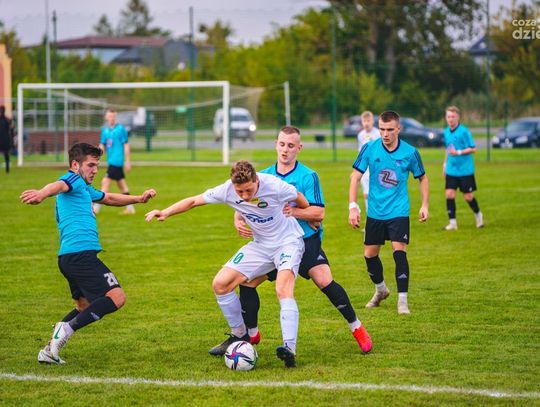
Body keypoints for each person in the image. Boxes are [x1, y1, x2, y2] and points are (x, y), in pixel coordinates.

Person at [145, 160, 308, 368]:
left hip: (288, 242)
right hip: (260, 245)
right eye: (240, 192)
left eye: (249, 190)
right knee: (220, 284)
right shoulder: (227, 190)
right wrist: (166, 212)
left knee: (282, 289)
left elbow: (299, 198)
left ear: (256, 180)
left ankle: (289, 349)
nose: (245, 196)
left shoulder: (275, 186)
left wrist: (296, 210)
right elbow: (194, 201)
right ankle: (240, 335)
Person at [235, 126, 372, 354]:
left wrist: (295, 212)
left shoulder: (308, 176)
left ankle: (357, 328)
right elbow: (243, 202)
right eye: (282, 144)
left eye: (290, 146)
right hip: (275, 244)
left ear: (299, 148)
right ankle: (252, 334)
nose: (285, 150)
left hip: (306, 242)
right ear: (276, 145)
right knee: (247, 281)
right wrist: (238, 220)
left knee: (324, 281)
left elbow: (319, 213)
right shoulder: (262, 176)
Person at [20, 143, 156, 365]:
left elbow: (108, 198)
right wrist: (42, 193)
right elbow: (57, 185)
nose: (95, 170)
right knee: (117, 298)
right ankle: (65, 330)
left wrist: (139, 199)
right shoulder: (72, 180)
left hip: (69, 258)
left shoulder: (83, 188)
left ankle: (49, 350)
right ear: (75, 165)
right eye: (91, 165)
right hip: (80, 255)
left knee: (83, 306)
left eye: (97, 166)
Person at [349, 111, 429, 315]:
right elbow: (355, 177)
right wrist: (353, 206)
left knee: (399, 251)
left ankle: (402, 302)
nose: (385, 134)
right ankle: (381, 290)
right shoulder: (370, 148)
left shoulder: (410, 152)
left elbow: (422, 178)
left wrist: (424, 205)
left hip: (398, 210)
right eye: (382, 129)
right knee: (369, 255)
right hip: (375, 211)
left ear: (398, 129)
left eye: (390, 130)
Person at [442, 106, 483, 230]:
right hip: (451, 169)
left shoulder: (464, 131)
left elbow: (473, 148)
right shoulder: (446, 132)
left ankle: (478, 215)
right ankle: (452, 223)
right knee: (449, 194)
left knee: (468, 196)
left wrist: (458, 152)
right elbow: (448, 149)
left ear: (458, 117)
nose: (451, 119)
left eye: (453, 116)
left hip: (465, 170)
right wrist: (444, 164)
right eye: (448, 116)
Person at [94, 108, 135, 215]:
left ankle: (96, 208)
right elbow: (102, 145)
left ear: (115, 117)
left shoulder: (120, 129)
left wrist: (127, 161)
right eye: (110, 116)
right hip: (111, 161)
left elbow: (126, 145)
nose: (112, 118)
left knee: (105, 182)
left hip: (117, 161)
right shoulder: (105, 130)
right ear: (106, 117)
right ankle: (130, 208)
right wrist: (97, 155)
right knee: (122, 185)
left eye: (113, 116)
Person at [357, 111, 382, 218]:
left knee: (377, 191)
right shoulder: (360, 135)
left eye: (368, 121)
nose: (366, 123)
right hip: (365, 168)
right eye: (364, 121)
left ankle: (379, 214)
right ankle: (370, 216)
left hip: (376, 167)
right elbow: (360, 152)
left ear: (372, 121)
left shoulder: (378, 134)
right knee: (366, 192)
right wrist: (357, 168)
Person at [0, 106, 15, 174]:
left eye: (2, 110)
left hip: (5, 140)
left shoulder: (7, 120)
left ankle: (7, 169)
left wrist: (12, 141)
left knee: (6, 155)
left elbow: (11, 131)